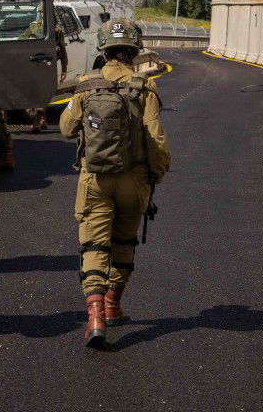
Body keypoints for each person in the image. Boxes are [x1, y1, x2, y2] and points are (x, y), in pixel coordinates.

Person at [59, 19, 170, 348]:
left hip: (95, 178)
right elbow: (156, 140)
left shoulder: (86, 84)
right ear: (135, 50)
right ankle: (112, 304)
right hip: (134, 180)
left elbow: (66, 128)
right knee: (123, 243)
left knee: (94, 246)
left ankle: (94, 316)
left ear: (103, 48)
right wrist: (156, 175)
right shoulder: (146, 87)